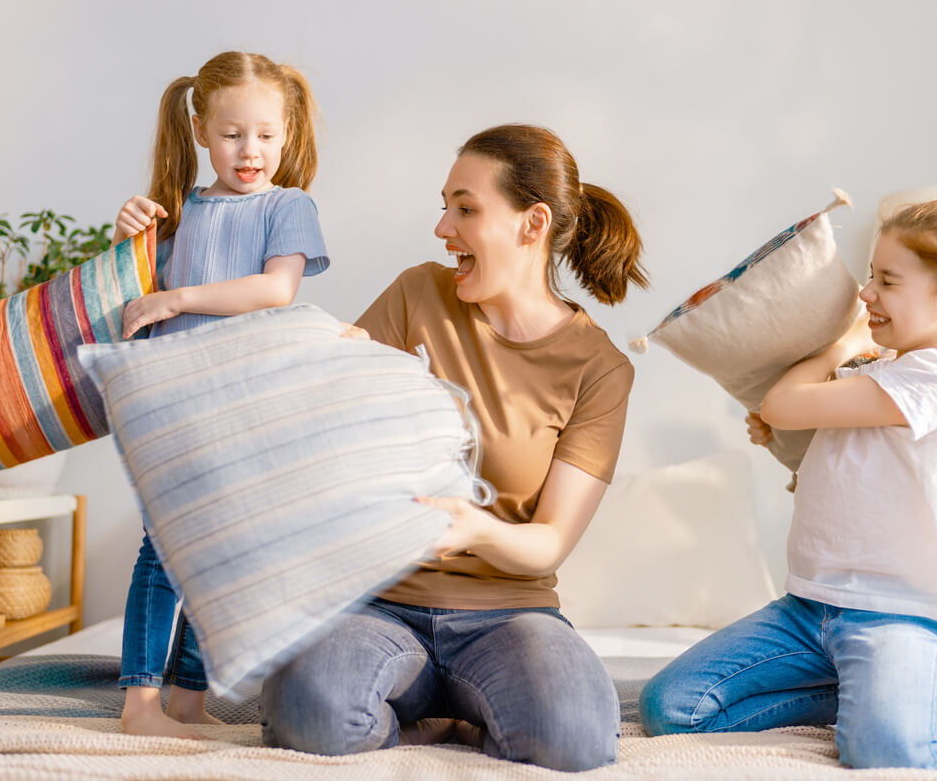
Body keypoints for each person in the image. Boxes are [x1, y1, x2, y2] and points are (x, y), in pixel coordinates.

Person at [639, 200, 937, 770]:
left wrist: (837, 347)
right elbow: (833, 452)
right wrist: (787, 426)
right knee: (672, 707)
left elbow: (783, 402)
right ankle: (858, 690)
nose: (866, 293)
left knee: (889, 752)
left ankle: (895, 695)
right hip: (810, 608)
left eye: (888, 280)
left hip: (903, 616)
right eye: (870, 275)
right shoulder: (885, 372)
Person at [259, 124, 648, 772]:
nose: (443, 227)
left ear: (532, 224)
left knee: (574, 737)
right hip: (379, 603)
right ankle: (427, 720)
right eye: (444, 205)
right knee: (308, 708)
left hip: (509, 616)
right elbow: (330, 413)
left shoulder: (598, 368)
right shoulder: (418, 294)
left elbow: (548, 542)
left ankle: (465, 709)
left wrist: (473, 529)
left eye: (465, 208)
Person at [112, 50, 330, 739]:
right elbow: (125, 302)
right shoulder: (173, 214)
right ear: (202, 130)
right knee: (166, 549)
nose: (251, 150)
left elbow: (276, 288)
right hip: (170, 403)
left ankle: (188, 699)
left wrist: (176, 295)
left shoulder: (289, 206)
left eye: (267, 134)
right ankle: (140, 703)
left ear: (287, 136)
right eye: (233, 134)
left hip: (247, 407)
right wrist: (125, 242)